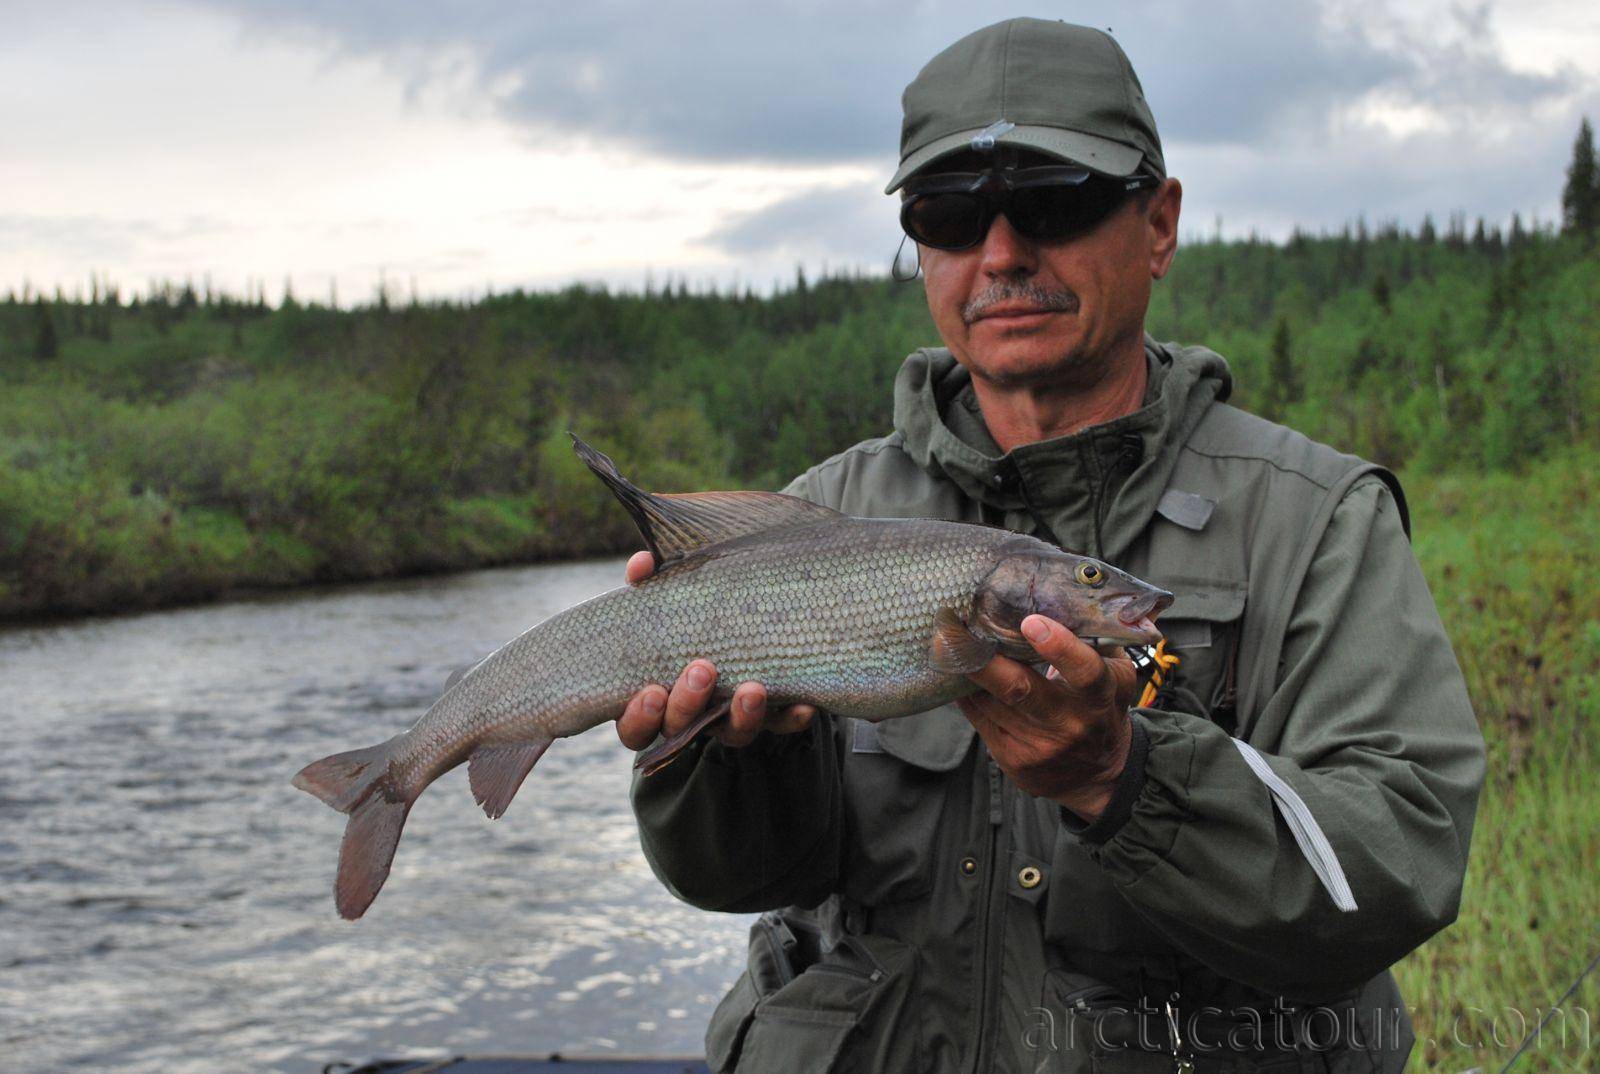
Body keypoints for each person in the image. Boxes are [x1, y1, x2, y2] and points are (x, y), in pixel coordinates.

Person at [615, 18, 1484, 1074]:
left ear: (1158, 224)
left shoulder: (1316, 518)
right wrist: (721, 765)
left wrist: (1128, 780)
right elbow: (743, 875)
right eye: (948, 213)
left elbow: (1398, 864)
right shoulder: (820, 513)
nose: (1002, 252)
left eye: (1056, 200)